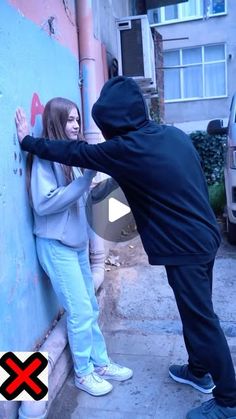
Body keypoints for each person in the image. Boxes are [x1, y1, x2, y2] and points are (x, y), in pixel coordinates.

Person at [15, 77, 236, 418]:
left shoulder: (127, 148)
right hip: (205, 236)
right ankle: (197, 370)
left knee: (201, 318)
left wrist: (28, 141)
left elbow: (76, 152)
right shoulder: (172, 135)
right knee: (196, 311)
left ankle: (228, 400)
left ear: (113, 119)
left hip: (183, 246)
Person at [19, 97, 133, 397]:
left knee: (90, 307)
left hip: (77, 244)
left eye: (78, 120)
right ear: (56, 121)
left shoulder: (71, 155)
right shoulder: (44, 157)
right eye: (70, 120)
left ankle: (101, 363)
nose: (76, 125)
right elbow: (44, 204)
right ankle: (84, 373)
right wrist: (84, 182)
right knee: (80, 311)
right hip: (56, 246)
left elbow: (79, 195)